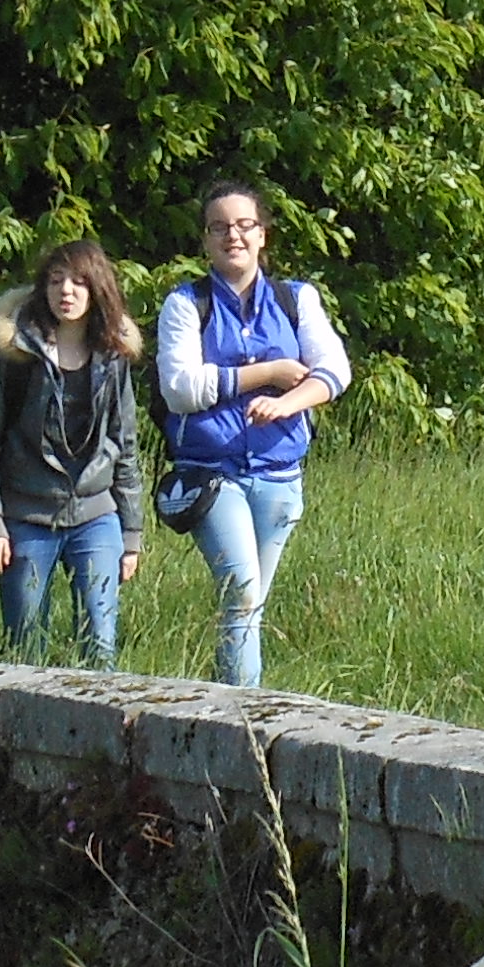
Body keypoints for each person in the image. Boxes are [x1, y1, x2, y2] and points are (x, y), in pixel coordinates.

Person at [154, 179, 349, 689]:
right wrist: (268, 372)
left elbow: (334, 372)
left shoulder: (296, 300)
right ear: (205, 240)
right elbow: (179, 389)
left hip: (280, 476)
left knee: (252, 603)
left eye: (244, 226)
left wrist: (287, 402)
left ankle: (233, 706)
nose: (232, 237)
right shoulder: (185, 304)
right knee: (240, 590)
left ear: (263, 235)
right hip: (212, 477)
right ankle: (245, 709)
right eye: (219, 228)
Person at [0, 237, 151, 666]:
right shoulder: (14, 357)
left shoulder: (114, 358)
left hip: (96, 515)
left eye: (79, 282)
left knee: (101, 646)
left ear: (97, 289)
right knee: (25, 649)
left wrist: (132, 534)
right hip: (25, 519)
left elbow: (125, 448)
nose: (66, 291)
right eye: (55, 280)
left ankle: (99, 732)